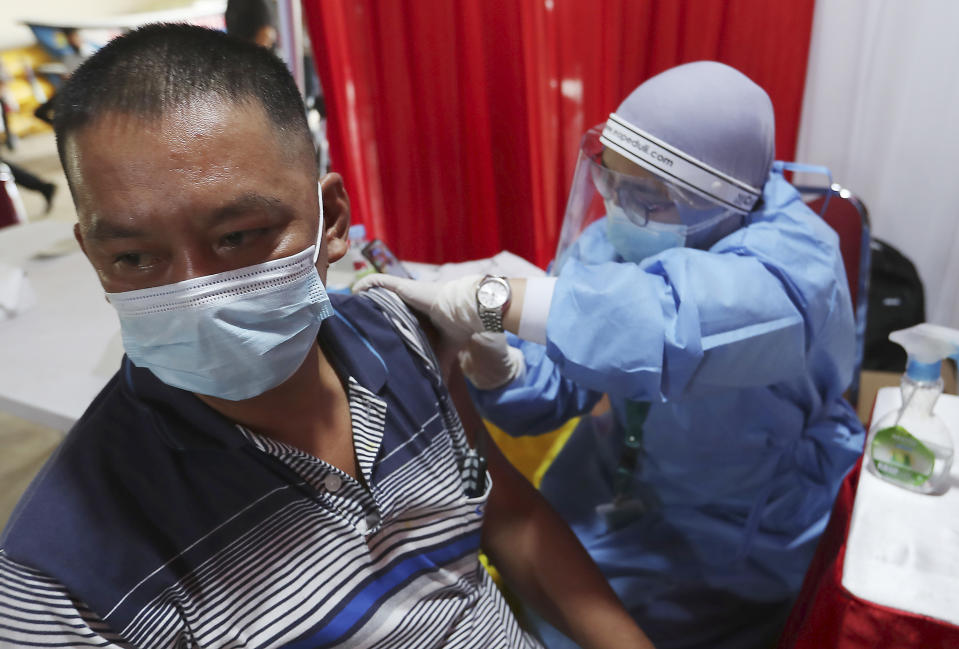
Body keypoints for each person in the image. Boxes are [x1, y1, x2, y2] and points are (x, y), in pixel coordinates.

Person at [0, 24, 654, 649]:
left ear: (331, 219)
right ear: (91, 253)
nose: (196, 292)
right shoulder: (62, 580)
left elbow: (506, 515)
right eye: (136, 258)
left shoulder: (401, 341)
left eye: (237, 237)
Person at [356, 61, 866, 649]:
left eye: (644, 196)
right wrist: (507, 370)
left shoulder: (798, 267)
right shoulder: (624, 236)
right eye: (610, 182)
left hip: (741, 527)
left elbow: (665, 326)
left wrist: (493, 299)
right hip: (621, 486)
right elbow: (565, 370)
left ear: (720, 201)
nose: (618, 209)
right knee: (554, 593)